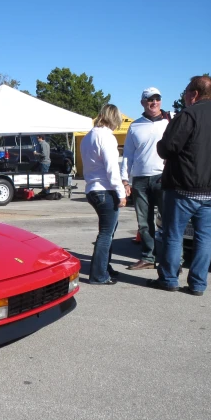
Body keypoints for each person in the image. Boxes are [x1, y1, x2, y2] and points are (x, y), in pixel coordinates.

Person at [149, 76, 211, 296]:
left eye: (185, 92)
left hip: (184, 187)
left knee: (173, 235)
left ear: (194, 94)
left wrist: (161, 143)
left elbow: (168, 149)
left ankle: (169, 279)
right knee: (204, 239)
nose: (183, 96)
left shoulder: (188, 115)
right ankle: (198, 284)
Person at [120, 87, 171, 270]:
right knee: (144, 222)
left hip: (162, 178)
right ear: (143, 103)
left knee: (168, 221)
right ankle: (148, 257)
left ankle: (172, 259)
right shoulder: (135, 126)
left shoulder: (169, 123)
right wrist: (125, 180)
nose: (154, 102)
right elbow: (128, 155)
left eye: (157, 99)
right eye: (150, 99)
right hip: (140, 179)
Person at [80, 105, 126, 285]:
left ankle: (104, 267)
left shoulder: (88, 136)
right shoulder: (106, 137)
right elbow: (112, 168)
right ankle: (99, 274)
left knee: (107, 231)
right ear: (114, 119)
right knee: (106, 234)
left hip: (92, 188)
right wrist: (121, 192)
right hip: (105, 189)